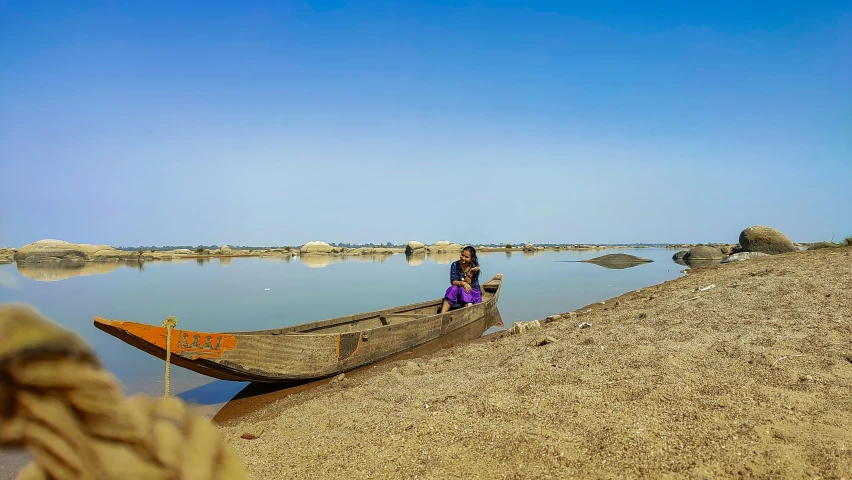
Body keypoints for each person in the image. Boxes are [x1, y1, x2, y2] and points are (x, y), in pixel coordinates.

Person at [440, 246, 482, 313]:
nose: (463, 258)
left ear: (471, 259)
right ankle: (442, 315)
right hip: (458, 293)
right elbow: (453, 281)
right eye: (462, 255)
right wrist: (462, 283)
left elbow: (468, 285)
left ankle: (469, 310)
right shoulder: (455, 264)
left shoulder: (474, 268)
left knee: (463, 289)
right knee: (453, 288)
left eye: (467, 257)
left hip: (472, 292)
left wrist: (470, 272)